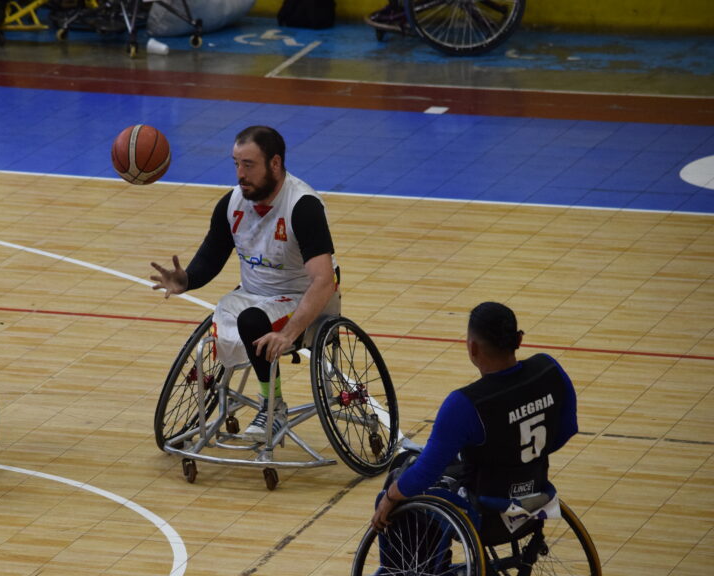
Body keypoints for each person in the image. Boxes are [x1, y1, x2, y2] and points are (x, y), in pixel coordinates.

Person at [150, 125, 340, 443]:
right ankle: (245, 400)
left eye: (248, 165)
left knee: (251, 321)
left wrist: (289, 332)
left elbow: (323, 281)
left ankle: (273, 406)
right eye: (236, 164)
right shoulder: (232, 203)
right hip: (254, 295)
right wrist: (187, 280)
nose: (240, 173)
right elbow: (212, 255)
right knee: (236, 319)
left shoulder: (303, 206)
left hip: (304, 297)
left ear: (275, 164)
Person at [371, 302, 578, 535]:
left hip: (487, 514)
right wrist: (520, 458)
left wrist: (389, 497)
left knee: (402, 472)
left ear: (473, 348)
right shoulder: (549, 369)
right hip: (536, 500)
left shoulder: (465, 404)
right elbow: (567, 429)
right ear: (518, 341)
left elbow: (423, 475)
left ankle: (416, 571)